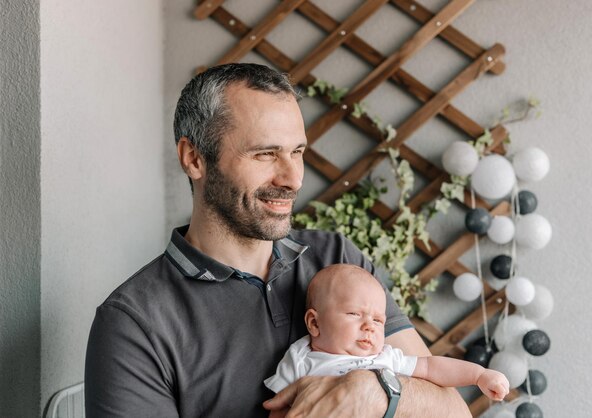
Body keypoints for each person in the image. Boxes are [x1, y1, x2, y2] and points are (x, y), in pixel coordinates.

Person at [85, 63, 472, 417]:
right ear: (194, 158)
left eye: (297, 152)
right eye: (266, 154)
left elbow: (452, 412)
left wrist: (376, 392)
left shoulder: (336, 260)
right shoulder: (135, 323)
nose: (293, 179)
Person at [265, 264, 509, 407]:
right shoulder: (301, 358)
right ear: (314, 323)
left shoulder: (387, 357)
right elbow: (279, 407)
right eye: (354, 314)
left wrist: (479, 375)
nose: (369, 326)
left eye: (378, 320)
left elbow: (431, 367)